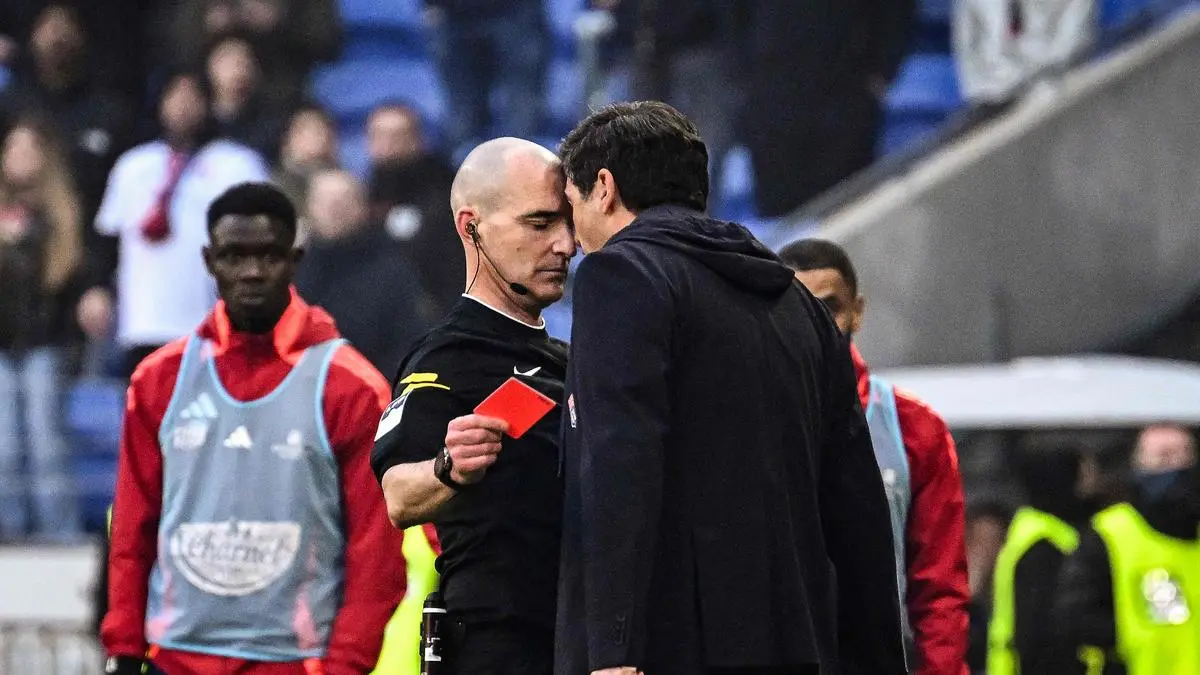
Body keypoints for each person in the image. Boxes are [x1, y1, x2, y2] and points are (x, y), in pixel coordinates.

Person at [555, 100, 905, 675]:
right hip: (798, 642)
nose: (570, 240)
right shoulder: (798, 303)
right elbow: (855, 497)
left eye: (571, 206)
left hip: (674, 647)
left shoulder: (621, 274)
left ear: (605, 188)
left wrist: (613, 649)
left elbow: (620, 460)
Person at [101, 182, 405, 675]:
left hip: (295, 663)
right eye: (234, 256)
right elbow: (133, 529)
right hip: (173, 659)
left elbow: (376, 553)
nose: (252, 271)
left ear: (295, 259)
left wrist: (347, 664)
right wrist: (124, 646)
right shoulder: (157, 381)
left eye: (268, 255)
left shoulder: (351, 388)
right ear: (209, 260)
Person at [371, 137, 574, 674]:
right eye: (539, 224)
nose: (565, 244)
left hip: (576, 642)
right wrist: (449, 467)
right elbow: (399, 495)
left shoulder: (569, 360)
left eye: (567, 223)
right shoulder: (447, 357)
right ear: (471, 227)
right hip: (499, 646)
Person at [780, 238, 970, 675]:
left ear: (857, 311)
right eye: (799, 307)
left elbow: (939, 584)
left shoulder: (914, 428)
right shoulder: (749, 422)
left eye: (829, 307)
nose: (816, 323)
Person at [93, 70, 269, 376]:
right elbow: (107, 239)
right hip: (143, 322)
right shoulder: (133, 166)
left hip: (214, 324)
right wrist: (97, 290)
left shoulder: (237, 164)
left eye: (192, 96)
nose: (183, 106)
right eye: (174, 96)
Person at [1054, 424, 1200, 675]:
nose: (1176, 466)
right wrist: (1132, 635)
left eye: (1184, 455)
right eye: (1163, 457)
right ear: (1138, 465)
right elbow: (1075, 618)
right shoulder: (1109, 534)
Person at [0, 115, 86, 541]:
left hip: (44, 343)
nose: (21, 157)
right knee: (4, 445)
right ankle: (10, 531)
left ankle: (59, 534)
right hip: (2, 343)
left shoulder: (61, 215)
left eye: (29, 149)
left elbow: (68, 282)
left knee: (46, 442)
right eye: (13, 148)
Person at [294, 169, 431, 374]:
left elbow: (408, 345)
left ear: (362, 207)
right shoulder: (293, 271)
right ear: (309, 209)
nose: (334, 210)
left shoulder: (391, 270)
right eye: (324, 202)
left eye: (343, 202)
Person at [986, 447, 1093, 675]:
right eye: (1082, 477)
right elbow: (1038, 631)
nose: (1089, 486)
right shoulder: (1045, 546)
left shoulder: (1031, 533)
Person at [366, 102, 463, 317]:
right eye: (379, 136)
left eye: (397, 136)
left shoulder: (448, 194)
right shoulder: (363, 195)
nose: (387, 146)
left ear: (418, 140)